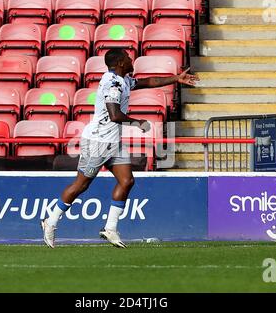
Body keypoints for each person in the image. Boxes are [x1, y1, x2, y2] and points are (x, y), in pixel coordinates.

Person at [41, 48, 199, 248]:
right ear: (121, 62)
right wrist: (137, 123)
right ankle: (51, 221)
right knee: (81, 186)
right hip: (98, 142)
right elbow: (115, 115)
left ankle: (110, 228)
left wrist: (176, 78)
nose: (131, 59)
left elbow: (148, 82)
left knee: (127, 181)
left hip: (114, 142)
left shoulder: (123, 80)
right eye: (127, 57)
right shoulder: (113, 84)